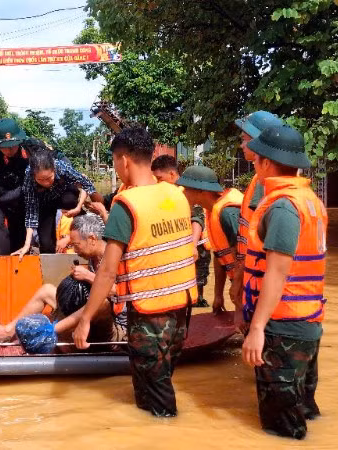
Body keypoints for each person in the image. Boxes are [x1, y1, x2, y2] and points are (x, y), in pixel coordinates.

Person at [73, 127, 196, 417]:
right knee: (155, 383)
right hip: (182, 310)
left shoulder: (127, 205)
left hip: (150, 314)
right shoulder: (176, 195)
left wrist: (86, 319)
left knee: (158, 397)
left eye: (115, 161)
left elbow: (106, 272)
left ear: (124, 160)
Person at [241, 125, 327, 439]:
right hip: (306, 322)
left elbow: (277, 273)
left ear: (266, 162)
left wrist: (256, 328)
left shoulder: (282, 207)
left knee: (282, 430)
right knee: (301, 412)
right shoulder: (309, 201)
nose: (253, 164)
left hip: (284, 327)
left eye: (256, 158)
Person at [0, 214, 126, 343]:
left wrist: (88, 276)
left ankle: (49, 332)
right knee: (47, 290)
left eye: (76, 245)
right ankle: (8, 331)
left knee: (102, 303)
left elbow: (118, 293)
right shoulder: (93, 257)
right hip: (91, 321)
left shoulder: (116, 257)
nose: (75, 250)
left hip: (116, 326)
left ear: (92, 239)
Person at [230, 111, 285, 318]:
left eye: (245, 140)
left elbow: (254, 240)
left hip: (260, 286)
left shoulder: (265, 184)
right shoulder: (262, 179)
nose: (242, 146)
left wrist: (238, 285)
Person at [176, 166, 243, 316]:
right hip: (240, 281)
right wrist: (218, 295)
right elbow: (221, 257)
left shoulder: (228, 212)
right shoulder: (212, 211)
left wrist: (238, 288)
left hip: (250, 283)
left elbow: (242, 255)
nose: (184, 193)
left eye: (187, 189)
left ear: (201, 191)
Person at [14, 142, 100, 257]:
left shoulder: (61, 166)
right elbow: (31, 212)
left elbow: (85, 183)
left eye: (49, 178)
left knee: (69, 200)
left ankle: (78, 215)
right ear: (34, 176)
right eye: (40, 180)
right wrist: (26, 244)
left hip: (65, 195)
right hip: (45, 202)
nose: (46, 183)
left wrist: (79, 207)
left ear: (54, 169)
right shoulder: (28, 177)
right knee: (46, 243)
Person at [152, 155, 211, 308]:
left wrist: (192, 245)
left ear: (172, 174)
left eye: (160, 178)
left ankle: (197, 302)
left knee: (198, 279)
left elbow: (197, 219)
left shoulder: (185, 190)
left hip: (196, 244)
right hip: (180, 245)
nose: (158, 183)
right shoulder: (166, 192)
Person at [0, 118, 29, 255]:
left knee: (20, 227)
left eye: (13, 145)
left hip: (20, 197)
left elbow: (58, 157)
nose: (9, 150)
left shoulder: (30, 148)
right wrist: (25, 188)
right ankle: (0, 261)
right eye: (4, 146)